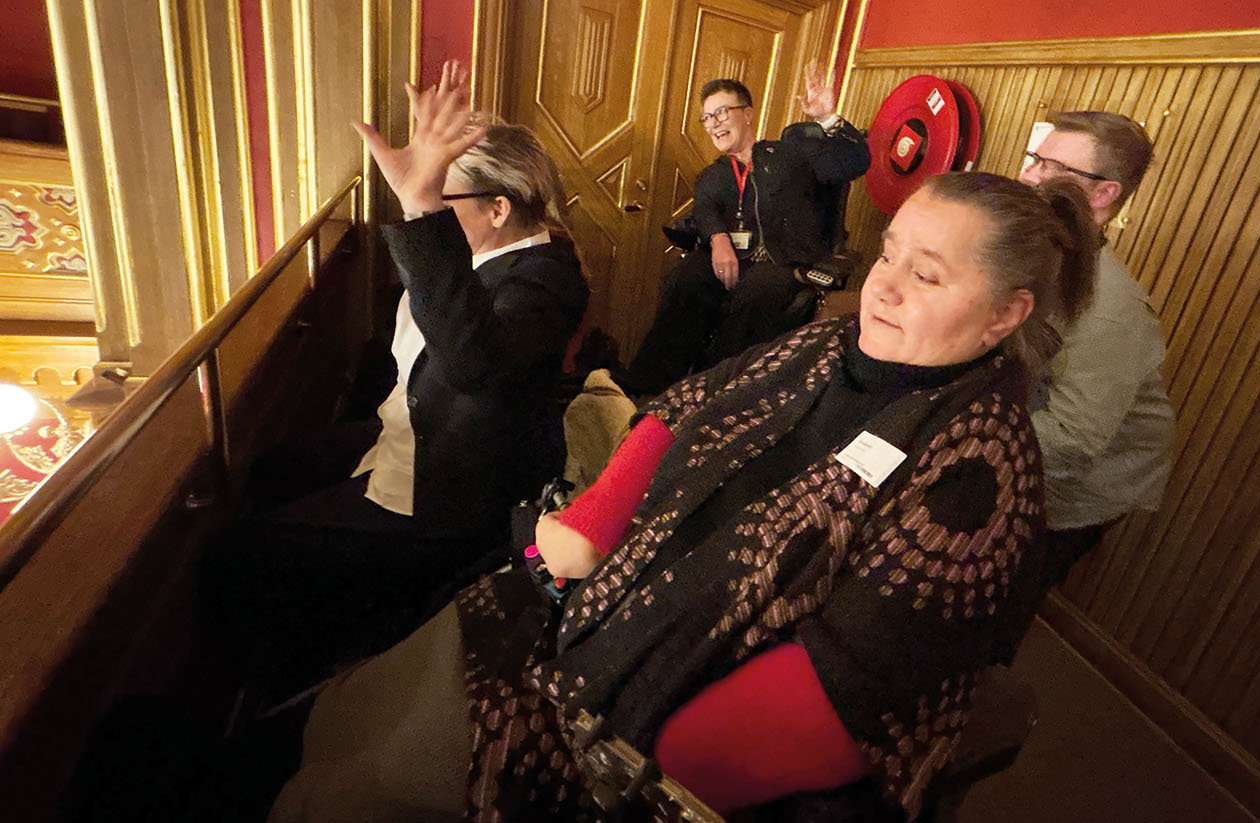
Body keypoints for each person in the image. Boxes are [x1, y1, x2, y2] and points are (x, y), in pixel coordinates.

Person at [268, 167, 1099, 823]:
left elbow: (843, 694)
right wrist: (588, 530)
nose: (883, 286)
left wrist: (633, 757)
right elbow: (685, 407)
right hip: (598, 604)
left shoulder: (983, 474)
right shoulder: (826, 342)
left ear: (1004, 317)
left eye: (926, 275)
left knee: (362, 795)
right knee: (366, 701)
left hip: (664, 734)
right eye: (888, 254)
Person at [205, 61, 588, 698]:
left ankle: (278, 690)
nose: (431, 210)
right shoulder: (492, 251)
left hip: (452, 496)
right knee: (272, 470)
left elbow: (472, 364)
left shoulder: (544, 281)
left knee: (238, 554)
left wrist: (417, 207)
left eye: (445, 197)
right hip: (416, 433)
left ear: (498, 208)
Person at [621, 64, 870, 395]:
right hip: (735, 257)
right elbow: (705, 208)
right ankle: (646, 386)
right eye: (707, 118)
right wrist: (718, 238)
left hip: (785, 264)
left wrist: (827, 117)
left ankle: (711, 390)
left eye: (721, 112)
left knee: (755, 291)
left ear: (748, 114)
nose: (714, 124)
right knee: (686, 276)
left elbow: (854, 162)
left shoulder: (791, 153)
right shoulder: (714, 174)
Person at [1016, 111, 1175, 590]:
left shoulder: (1111, 309)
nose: (1028, 175)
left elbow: (1068, 445)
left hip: (1081, 489)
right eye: (1033, 159)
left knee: (1000, 597)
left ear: (1103, 194)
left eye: (1051, 167)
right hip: (1027, 445)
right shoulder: (1037, 253)